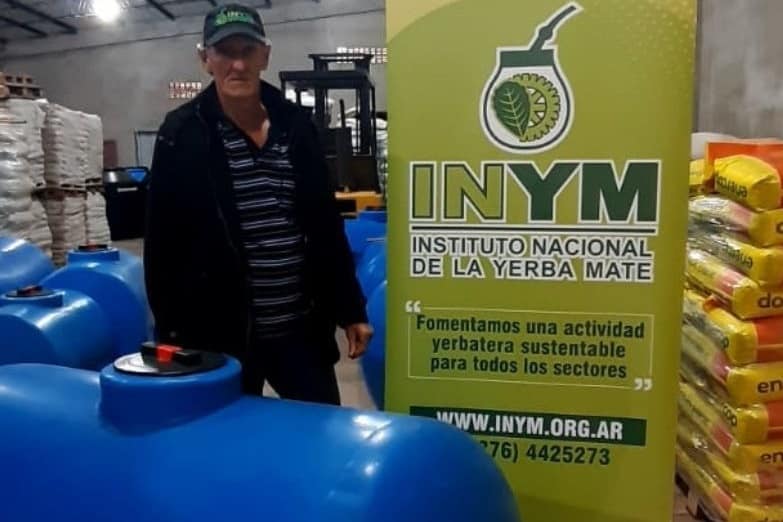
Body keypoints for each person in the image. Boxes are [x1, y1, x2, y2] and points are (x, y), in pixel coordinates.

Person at [144, 3, 372, 405]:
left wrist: (350, 309)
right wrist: (171, 335)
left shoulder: (295, 126)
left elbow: (325, 226)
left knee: (318, 431)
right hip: (222, 337)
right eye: (224, 52)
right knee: (229, 438)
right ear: (205, 59)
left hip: (300, 331)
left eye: (247, 51)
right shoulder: (183, 135)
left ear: (264, 55)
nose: (237, 64)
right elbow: (163, 246)